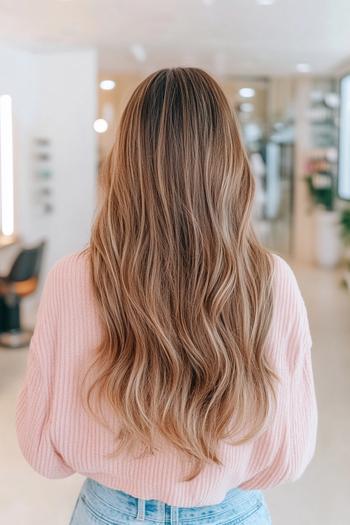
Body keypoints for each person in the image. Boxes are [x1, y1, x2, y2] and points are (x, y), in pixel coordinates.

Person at [16, 68, 318, 525]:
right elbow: (290, 455)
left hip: (108, 511)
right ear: (229, 161)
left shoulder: (71, 278)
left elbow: (41, 447)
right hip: (233, 512)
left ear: (125, 162)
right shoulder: (272, 281)